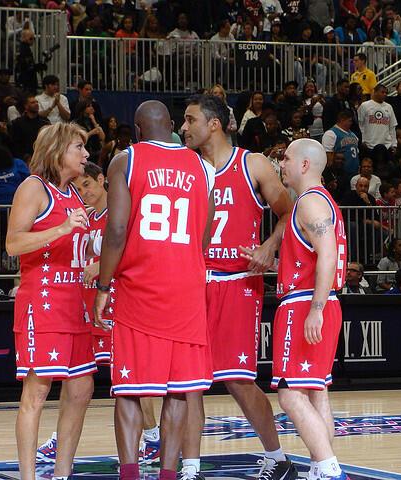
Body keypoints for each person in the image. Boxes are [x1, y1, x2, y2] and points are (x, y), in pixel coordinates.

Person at [91, 100, 214, 480]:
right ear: (173, 126)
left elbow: (115, 231)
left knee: (130, 388)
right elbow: (204, 236)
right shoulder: (203, 167)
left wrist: (103, 285)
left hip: (139, 290)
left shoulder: (125, 161)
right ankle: (168, 474)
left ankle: (129, 473)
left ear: (137, 131)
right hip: (187, 292)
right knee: (179, 390)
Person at [181, 95, 296, 480]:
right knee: (188, 382)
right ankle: (191, 467)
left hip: (237, 283)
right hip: (192, 284)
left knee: (238, 380)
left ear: (213, 124)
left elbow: (288, 212)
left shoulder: (253, 163)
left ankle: (278, 458)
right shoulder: (185, 166)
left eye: (190, 120)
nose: (184, 128)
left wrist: (270, 245)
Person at [36, 162, 162, 466]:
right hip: (89, 308)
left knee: (130, 379)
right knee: (73, 376)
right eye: (79, 188)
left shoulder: (123, 214)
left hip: (121, 307)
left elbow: (141, 255)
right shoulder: (87, 217)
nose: (84, 192)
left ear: (103, 180)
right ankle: (59, 436)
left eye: (88, 185)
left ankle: (153, 437)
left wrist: (105, 266)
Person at [6, 123, 96, 480]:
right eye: (79, 147)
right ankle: (28, 476)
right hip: (42, 303)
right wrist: (60, 229)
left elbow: (77, 248)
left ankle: (62, 473)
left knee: (82, 388)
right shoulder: (33, 187)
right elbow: (13, 244)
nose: (86, 155)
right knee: (38, 390)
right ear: (58, 151)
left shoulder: (74, 194)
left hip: (75, 303)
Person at [272, 138, 349, 480]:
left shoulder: (309, 202)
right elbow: (311, 258)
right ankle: (322, 467)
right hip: (317, 299)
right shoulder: (320, 201)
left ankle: (329, 470)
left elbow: (328, 256)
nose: (282, 164)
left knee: (290, 394)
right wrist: (272, 263)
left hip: (306, 303)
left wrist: (315, 308)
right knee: (317, 392)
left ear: (304, 165)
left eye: (286, 158)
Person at [358, 84, 397, 166]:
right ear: (375, 92)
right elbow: (360, 125)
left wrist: (394, 144)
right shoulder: (365, 105)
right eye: (382, 92)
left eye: (386, 93)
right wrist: (362, 140)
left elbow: (392, 127)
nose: (385, 94)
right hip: (369, 145)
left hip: (386, 145)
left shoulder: (389, 107)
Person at [9, 96, 51, 162]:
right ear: (26, 106)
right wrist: (24, 158)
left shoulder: (45, 121)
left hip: (42, 158)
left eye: (37, 102)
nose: (36, 104)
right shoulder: (17, 123)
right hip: (24, 159)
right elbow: (15, 144)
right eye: (32, 102)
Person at [321, 110, 360, 177]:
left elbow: (357, 153)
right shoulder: (331, 134)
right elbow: (328, 155)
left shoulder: (353, 135)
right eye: (349, 121)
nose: (351, 123)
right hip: (340, 173)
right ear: (342, 120)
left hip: (354, 171)